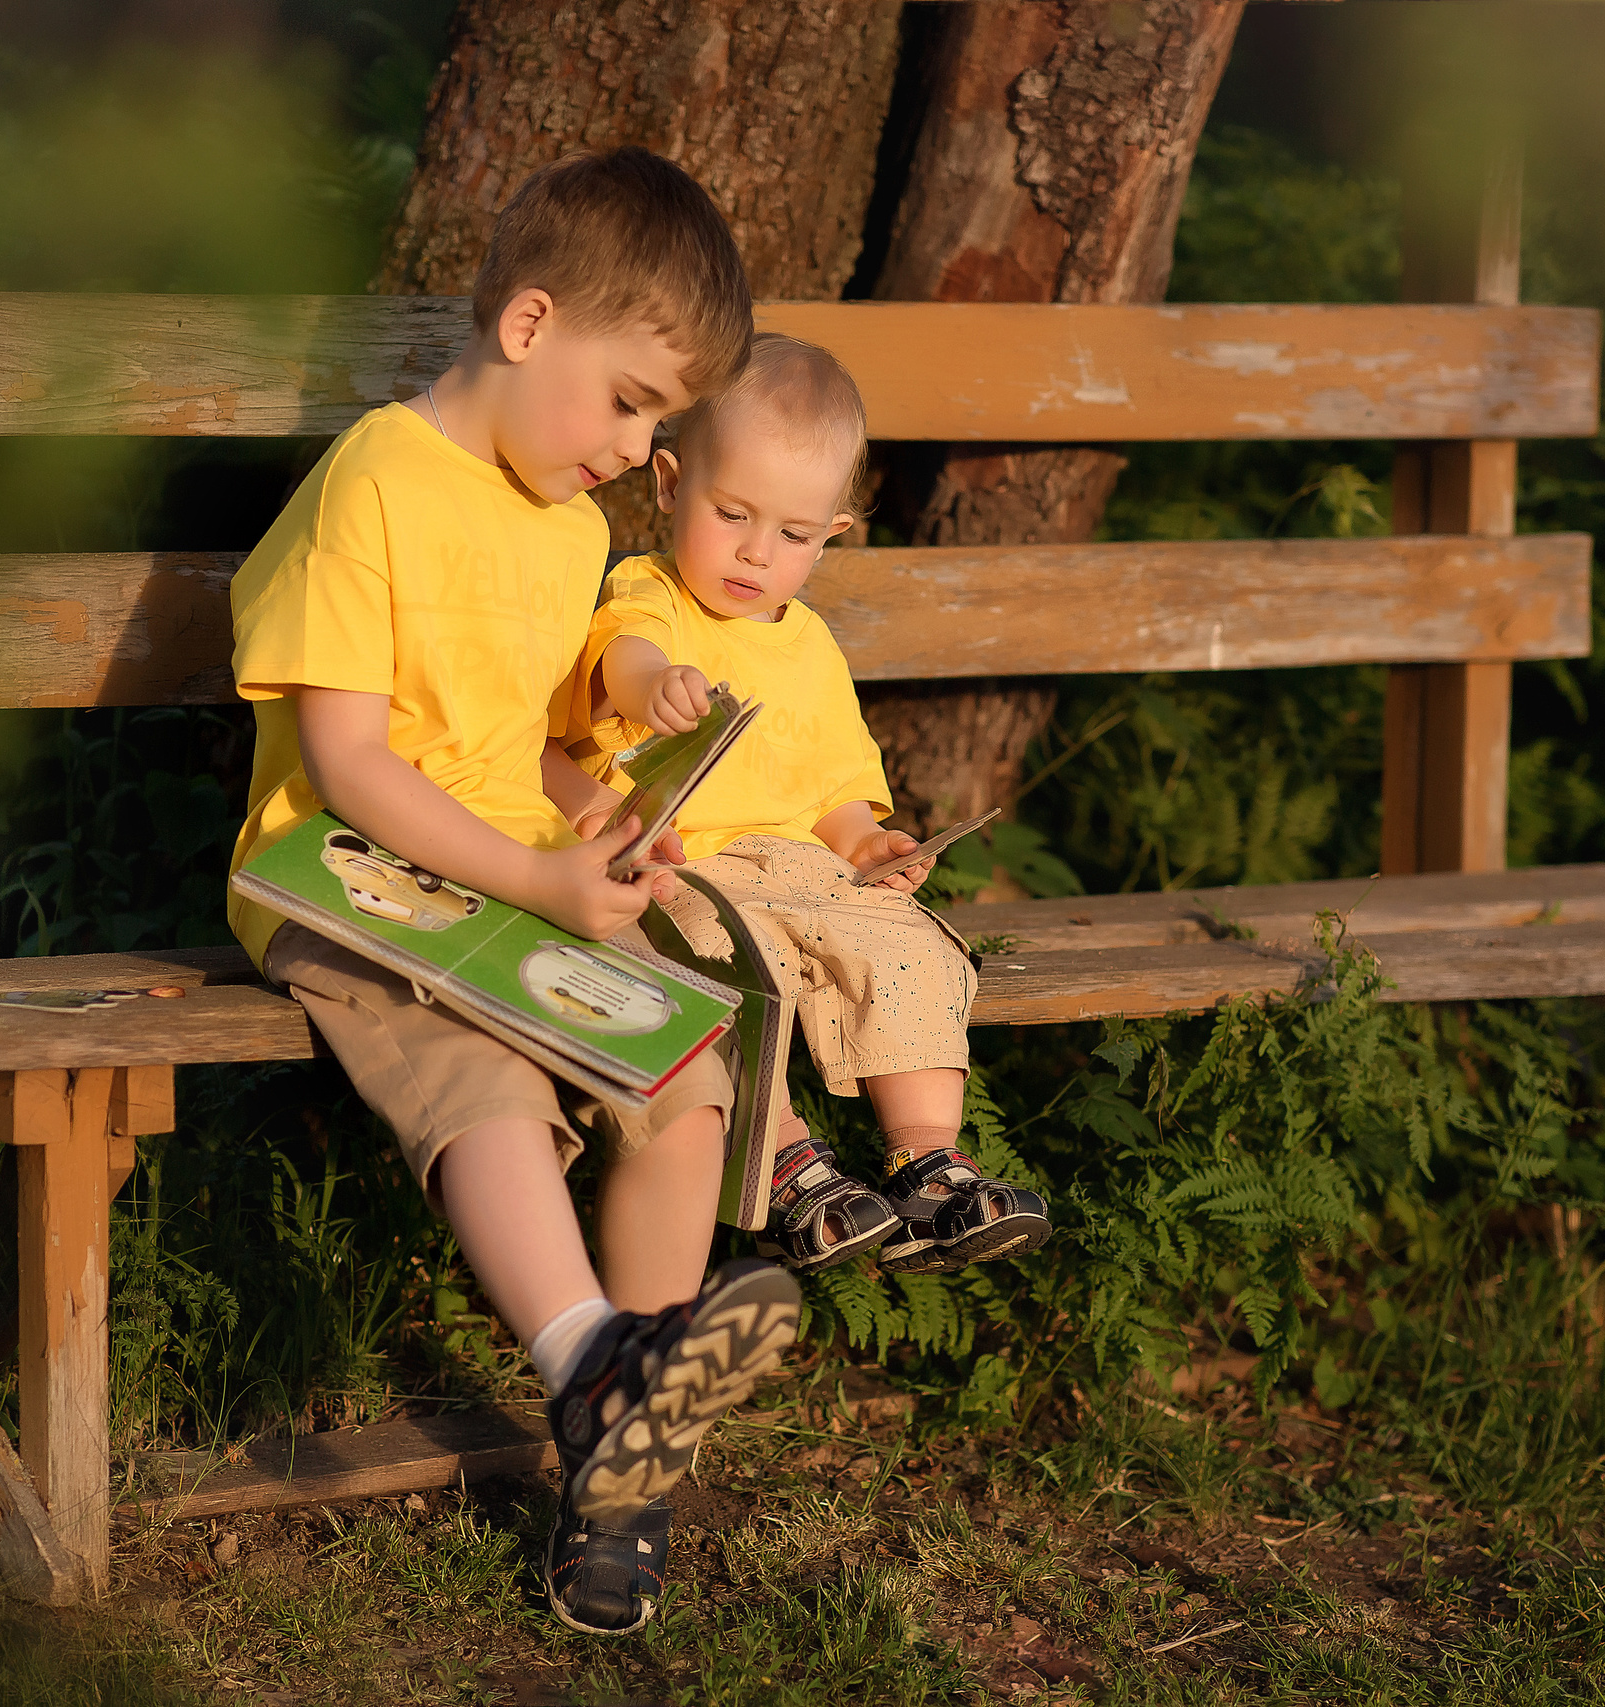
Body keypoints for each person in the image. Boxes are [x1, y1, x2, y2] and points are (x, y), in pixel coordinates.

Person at [224, 149, 798, 1638]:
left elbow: (533, 747)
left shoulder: (565, 529)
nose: (639, 448)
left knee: (685, 1085)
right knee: (481, 1075)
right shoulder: (378, 480)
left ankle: (623, 1473)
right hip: (351, 892)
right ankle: (590, 1356)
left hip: (504, 888)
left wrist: (602, 825)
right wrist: (538, 872)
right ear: (530, 324)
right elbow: (350, 762)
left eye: (662, 421)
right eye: (630, 401)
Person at [568, 333, 1053, 1281]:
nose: (756, 552)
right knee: (729, 962)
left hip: (809, 870)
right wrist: (653, 683)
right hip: (686, 861)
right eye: (733, 513)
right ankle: (788, 1158)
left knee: (904, 940)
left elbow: (837, 793)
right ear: (669, 484)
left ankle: (928, 1165)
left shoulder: (813, 646)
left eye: (791, 535)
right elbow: (618, 656)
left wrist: (872, 845)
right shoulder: (654, 595)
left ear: (829, 535)